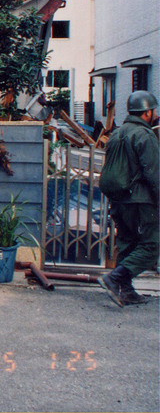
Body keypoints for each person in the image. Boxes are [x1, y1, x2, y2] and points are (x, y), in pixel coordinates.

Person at [98, 90, 159, 307]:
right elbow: (153, 172)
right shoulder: (145, 135)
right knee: (152, 246)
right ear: (147, 112)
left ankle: (126, 291)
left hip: (119, 200)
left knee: (127, 243)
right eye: (154, 110)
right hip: (140, 201)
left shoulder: (117, 133)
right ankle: (114, 279)